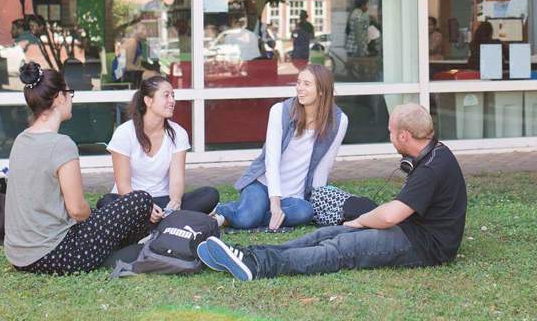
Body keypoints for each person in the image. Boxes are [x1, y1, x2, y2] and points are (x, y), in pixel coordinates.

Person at [196, 103, 467, 281]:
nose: (390, 137)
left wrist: (360, 221)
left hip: (423, 246)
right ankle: (248, 254)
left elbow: (390, 217)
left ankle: (258, 266)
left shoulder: (431, 168)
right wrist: (358, 222)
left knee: (338, 248)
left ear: (405, 136)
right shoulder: (433, 155)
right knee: (325, 233)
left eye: (391, 133)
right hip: (409, 230)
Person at [4, 62, 162, 275]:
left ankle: (121, 244)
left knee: (107, 209)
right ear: (59, 97)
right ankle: (127, 248)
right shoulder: (61, 145)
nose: (71, 99)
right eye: (69, 93)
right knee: (140, 200)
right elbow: (77, 211)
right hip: (55, 254)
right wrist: (96, 218)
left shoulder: (21, 139)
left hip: (18, 256)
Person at [213, 64, 348, 230]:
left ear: (322, 90)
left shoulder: (339, 121)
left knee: (305, 212)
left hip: (294, 195)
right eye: (298, 83)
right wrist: (275, 204)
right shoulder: (280, 111)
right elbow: (272, 160)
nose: (300, 88)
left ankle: (252, 212)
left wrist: (316, 201)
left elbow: (323, 167)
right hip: (263, 185)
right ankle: (224, 212)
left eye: (307, 84)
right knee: (246, 219)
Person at [97, 76, 220, 213]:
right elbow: (123, 186)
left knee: (209, 194)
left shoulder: (178, 133)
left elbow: (176, 180)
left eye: (173, 96)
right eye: (166, 96)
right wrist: (145, 209)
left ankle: (161, 221)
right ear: (148, 101)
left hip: (164, 200)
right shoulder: (124, 133)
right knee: (106, 202)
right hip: (132, 201)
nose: (172, 101)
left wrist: (175, 202)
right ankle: (167, 222)